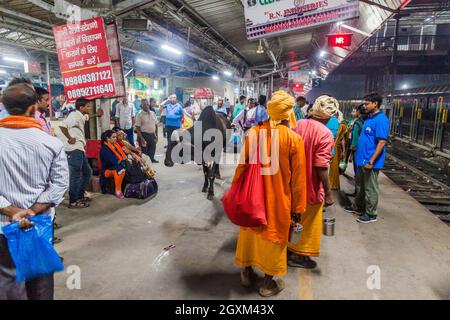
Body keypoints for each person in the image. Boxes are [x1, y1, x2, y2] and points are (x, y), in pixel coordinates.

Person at [235, 90, 307, 297]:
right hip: (277, 200)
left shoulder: (255, 132)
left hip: (251, 198)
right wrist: (298, 208)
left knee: (249, 233)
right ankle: (267, 283)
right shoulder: (293, 139)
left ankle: (246, 272)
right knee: (274, 237)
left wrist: (237, 190)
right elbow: (298, 180)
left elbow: (242, 166)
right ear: (288, 113)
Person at [0, 84, 69, 300]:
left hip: (4, 228)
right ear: (33, 108)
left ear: (5, 106)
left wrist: (13, 211)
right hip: (38, 226)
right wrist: (32, 211)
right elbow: (59, 184)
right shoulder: (51, 143)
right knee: (40, 285)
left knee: (8, 282)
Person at [288, 95, 337, 269]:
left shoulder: (297, 125)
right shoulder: (325, 134)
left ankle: (288, 248)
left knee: (293, 218)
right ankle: (298, 255)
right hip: (311, 187)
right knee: (308, 223)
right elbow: (321, 166)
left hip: (291, 185)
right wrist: (329, 193)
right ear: (329, 117)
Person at [347, 93, 390, 224]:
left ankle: (371, 214)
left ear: (375, 104)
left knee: (370, 188)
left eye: (367, 103)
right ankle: (359, 208)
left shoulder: (381, 120)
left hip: (370, 161)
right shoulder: (369, 118)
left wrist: (371, 161)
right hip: (361, 159)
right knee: (360, 186)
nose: (364, 106)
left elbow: (382, 142)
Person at [59, 98, 93, 209]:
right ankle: (74, 200)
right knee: (76, 175)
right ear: (81, 107)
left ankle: (79, 195)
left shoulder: (81, 115)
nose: (90, 108)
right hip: (74, 149)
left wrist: (97, 114)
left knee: (87, 172)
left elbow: (87, 117)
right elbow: (62, 126)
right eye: (88, 106)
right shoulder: (74, 115)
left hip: (79, 148)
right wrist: (70, 138)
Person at [345, 104, 366, 196]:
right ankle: (359, 193)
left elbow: (354, 140)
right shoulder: (367, 121)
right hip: (365, 151)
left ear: (358, 112)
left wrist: (351, 154)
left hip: (358, 151)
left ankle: (357, 194)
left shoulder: (358, 123)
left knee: (357, 173)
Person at [100, 130, 126, 199]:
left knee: (125, 166)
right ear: (108, 139)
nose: (116, 138)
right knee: (120, 169)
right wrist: (122, 161)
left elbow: (121, 157)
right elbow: (112, 161)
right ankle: (118, 191)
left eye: (116, 137)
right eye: (113, 137)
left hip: (115, 166)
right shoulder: (104, 149)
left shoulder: (115, 145)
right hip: (106, 171)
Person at [162, 94, 183, 166]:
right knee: (169, 141)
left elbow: (182, 115)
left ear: (176, 99)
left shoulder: (179, 106)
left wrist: (177, 119)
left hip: (176, 125)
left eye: (174, 98)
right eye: (172, 98)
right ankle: (169, 158)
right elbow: (160, 106)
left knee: (176, 141)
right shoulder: (168, 105)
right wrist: (167, 100)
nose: (173, 99)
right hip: (169, 125)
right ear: (170, 99)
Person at [136, 98, 159, 163]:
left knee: (152, 149)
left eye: (147, 104)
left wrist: (157, 135)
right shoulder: (139, 114)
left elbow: (156, 124)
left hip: (152, 135)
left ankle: (152, 159)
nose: (146, 106)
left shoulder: (153, 113)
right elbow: (137, 128)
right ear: (142, 106)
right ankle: (145, 165)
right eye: (144, 105)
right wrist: (142, 139)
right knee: (144, 152)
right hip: (144, 135)